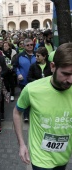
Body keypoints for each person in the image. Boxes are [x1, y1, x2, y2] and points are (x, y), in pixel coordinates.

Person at [13, 42, 72, 170]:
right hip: (40, 159)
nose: (70, 80)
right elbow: (17, 112)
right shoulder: (32, 90)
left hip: (63, 157)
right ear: (53, 67)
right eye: (66, 74)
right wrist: (22, 144)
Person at [14, 38, 36, 121]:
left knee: (34, 98)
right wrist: (18, 74)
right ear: (24, 46)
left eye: (31, 45)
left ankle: (34, 114)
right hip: (24, 81)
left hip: (35, 81)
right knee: (26, 98)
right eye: (28, 45)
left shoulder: (37, 54)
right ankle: (26, 115)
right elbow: (15, 66)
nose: (30, 46)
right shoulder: (20, 55)